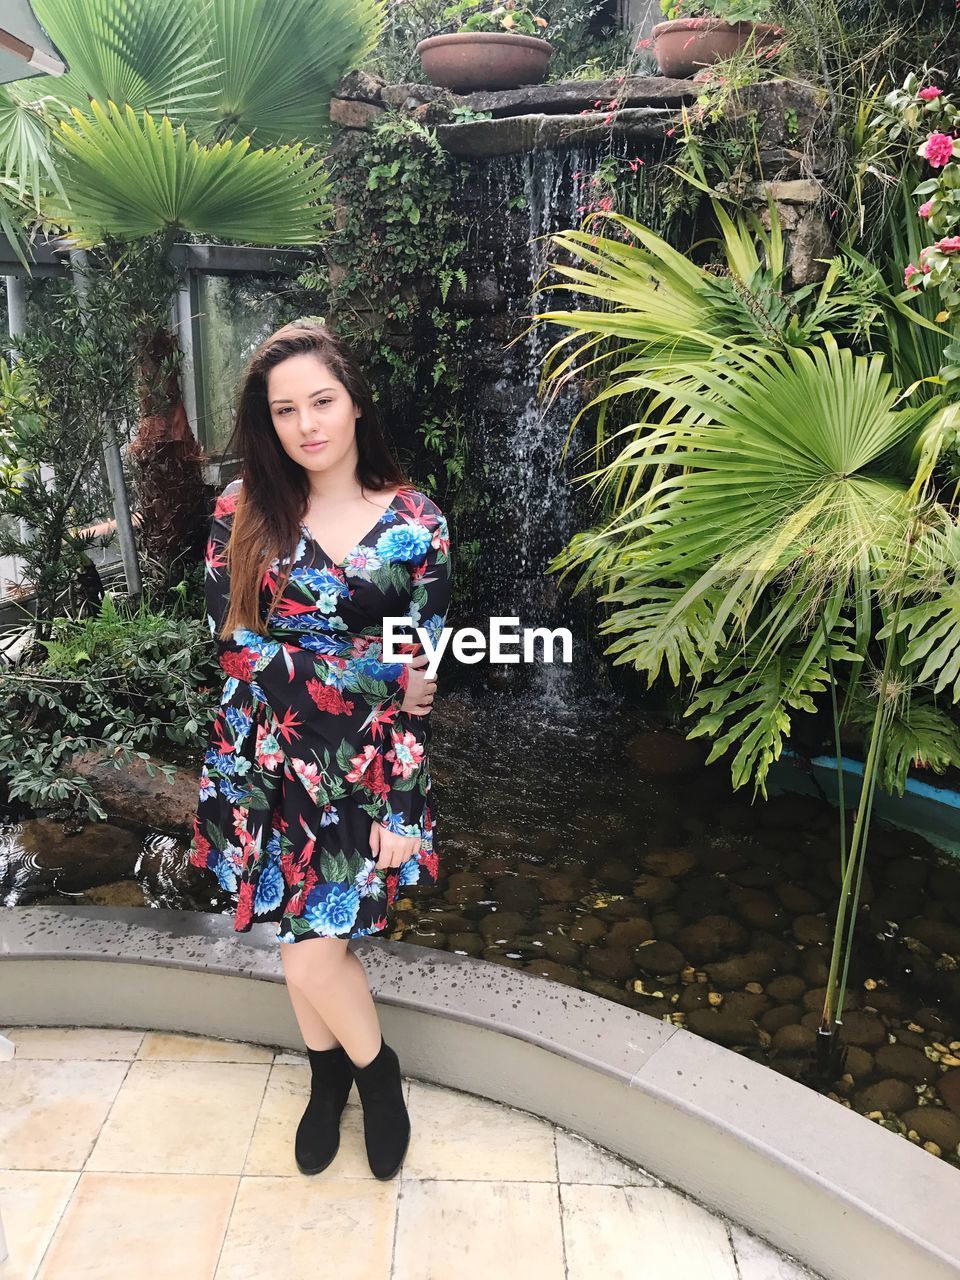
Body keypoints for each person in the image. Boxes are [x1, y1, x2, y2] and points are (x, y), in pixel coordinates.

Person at [187, 318, 453, 1181]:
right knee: (296, 934)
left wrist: (407, 809)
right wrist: (370, 674)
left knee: (312, 946)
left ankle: (375, 1080)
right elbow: (232, 649)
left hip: (362, 772)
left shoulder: (418, 525)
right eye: (284, 409)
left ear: (356, 405)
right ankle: (336, 1075)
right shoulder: (241, 510)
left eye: (322, 402)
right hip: (258, 760)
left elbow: (424, 680)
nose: (306, 424)